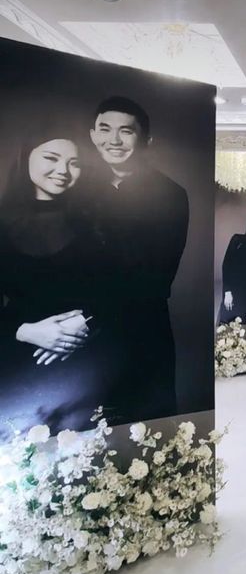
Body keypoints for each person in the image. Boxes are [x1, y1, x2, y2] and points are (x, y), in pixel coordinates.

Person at [0, 125, 118, 437]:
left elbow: (121, 291)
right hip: (18, 360)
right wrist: (26, 331)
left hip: (86, 361)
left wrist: (85, 324)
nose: (62, 171)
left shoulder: (96, 220)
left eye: (74, 163)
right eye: (51, 158)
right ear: (26, 158)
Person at [88, 96, 189, 423]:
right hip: (79, 337)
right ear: (93, 135)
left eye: (126, 132)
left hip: (142, 329)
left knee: (147, 429)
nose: (114, 140)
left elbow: (157, 275)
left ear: (145, 140)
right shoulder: (76, 187)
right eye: (105, 129)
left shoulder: (170, 194)